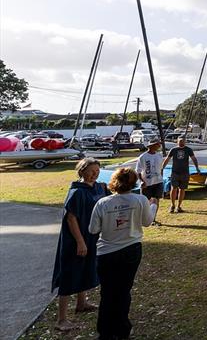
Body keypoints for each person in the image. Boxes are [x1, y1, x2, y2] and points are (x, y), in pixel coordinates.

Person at [89, 167, 157, 340]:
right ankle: (121, 329)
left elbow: (93, 229)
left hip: (106, 252)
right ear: (133, 182)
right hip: (131, 250)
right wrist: (154, 206)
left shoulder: (103, 203)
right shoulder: (140, 200)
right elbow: (148, 222)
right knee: (123, 290)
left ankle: (104, 332)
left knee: (107, 292)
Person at [51, 158, 109, 332]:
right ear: (82, 171)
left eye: (97, 171)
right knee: (70, 273)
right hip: (76, 239)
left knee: (86, 268)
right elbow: (71, 218)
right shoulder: (76, 191)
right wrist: (80, 241)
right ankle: (61, 319)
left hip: (92, 236)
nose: (94, 174)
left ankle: (81, 303)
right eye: (91, 171)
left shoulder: (100, 187)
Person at [161, 137, 200, 213]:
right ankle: (172, 205)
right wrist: (162, 168)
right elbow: (167, 159)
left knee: (182, 189)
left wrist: (197, 168)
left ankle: (179, 206)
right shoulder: (173, 150)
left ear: (185, 142)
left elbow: (194, 159)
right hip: (175, 172)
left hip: (185, 173)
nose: (181, 142)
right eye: (180, 141)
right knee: (173, 188)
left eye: (182, 141)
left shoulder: (188, 149)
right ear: (177, 142)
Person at [136, 139, 163, 225]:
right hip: (147, 183)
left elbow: (161, 168)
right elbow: (138, 171)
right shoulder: (143, 157)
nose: (159, 146)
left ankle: (153, 219)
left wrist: (161, 177)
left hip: (158, 181)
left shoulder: (159, 155)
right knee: (146, 201)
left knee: (156, 200)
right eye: (157, 144)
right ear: (151, 146)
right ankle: (144, 218)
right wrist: (142, 181)